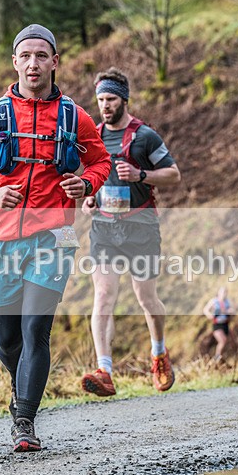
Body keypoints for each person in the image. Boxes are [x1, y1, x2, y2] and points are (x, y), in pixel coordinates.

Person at [0, 24, 111, 452]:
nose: (33, 63)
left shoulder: (74, 116)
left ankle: (25, 422)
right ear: (15, 62)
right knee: (7, 340)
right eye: (26, 56)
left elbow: (101, 162)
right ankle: (20, 389)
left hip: (54, 235)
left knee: (36, 328)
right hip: (2, 239)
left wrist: (87, 184)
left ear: (55, 62)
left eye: (42, 56)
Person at [80, 67, 181, 398]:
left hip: (141, 227)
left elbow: (173, 175)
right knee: (104, 295)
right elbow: (92, 179)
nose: (104, 106)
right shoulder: (92, 137)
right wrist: (90, 198)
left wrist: (140, 175)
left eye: (110, 99)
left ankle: (159, 353)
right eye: (100, 100)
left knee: (145, 297)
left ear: (123, 99)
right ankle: (104, 370)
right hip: (105, 228)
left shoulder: (145, 137)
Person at [203, 286, 236, 364]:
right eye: (222, 292)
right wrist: (209, 315)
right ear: (219, 292)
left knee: (225, 342)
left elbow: (233, 310)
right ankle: (217, 357)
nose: (224, 294)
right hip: (217, 324)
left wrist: (229, 311)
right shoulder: (214, 301)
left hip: (225, 324)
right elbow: (205, 310)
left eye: (225, 292)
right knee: (222, 340)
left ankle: (221, 358)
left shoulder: (227, 301)